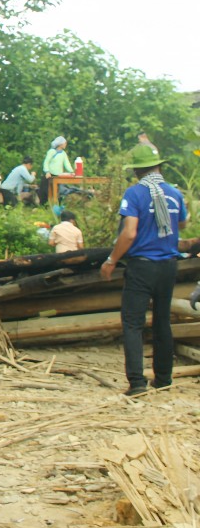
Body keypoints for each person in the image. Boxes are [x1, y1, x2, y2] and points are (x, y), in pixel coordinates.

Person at [101, 143, 188, 395]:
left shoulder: (135, 194)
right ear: (160, 166)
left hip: (142, 267)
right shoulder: (174, 194)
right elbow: (181, 222)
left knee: (133, 323)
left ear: (138, 171)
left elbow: (129, 234)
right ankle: (163, 379)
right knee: (162, 321)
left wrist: (111, 260)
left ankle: (137, 383)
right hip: (168, 266)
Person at [40, 136, 74, 204]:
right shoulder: (52, 151)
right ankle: (44, 205)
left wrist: (71, 172)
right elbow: (46, 162)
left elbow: (67, 164)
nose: (65, 145)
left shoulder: (63, 153)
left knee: (59, 191)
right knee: (46, 191)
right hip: (50, 175)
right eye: (64, 143)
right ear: (60, 144)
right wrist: (47, 171)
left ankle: (58, 205)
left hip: (59, 176)